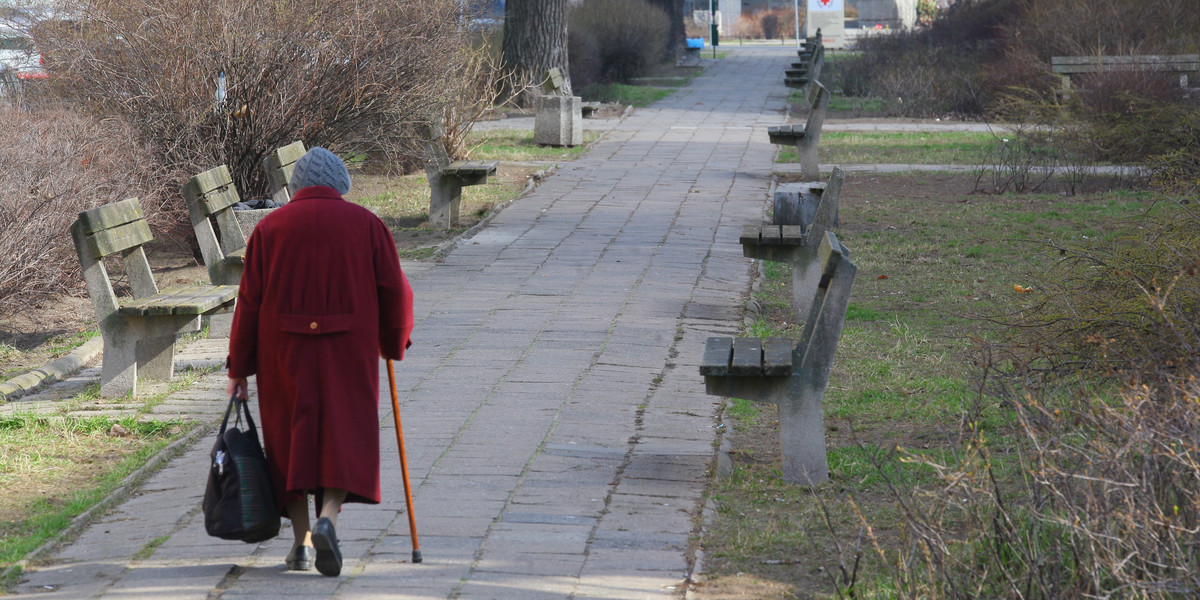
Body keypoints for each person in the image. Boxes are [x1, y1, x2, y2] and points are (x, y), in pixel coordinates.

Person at [225, 147, 414, 576]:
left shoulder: (269, 228)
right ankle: (329, 516)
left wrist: (239, 368)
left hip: (283, 351)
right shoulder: (367, 224)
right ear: (341, 184)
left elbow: (249, 302)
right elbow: (396, 294)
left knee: (287, 440)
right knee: (343, 434)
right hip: (349, 349)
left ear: (296, 186)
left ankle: (302, 543)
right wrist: (393, 342)